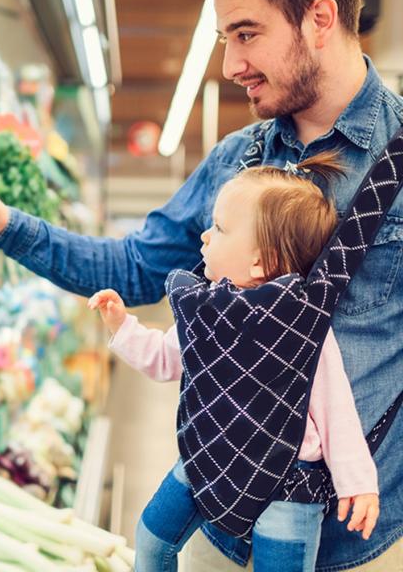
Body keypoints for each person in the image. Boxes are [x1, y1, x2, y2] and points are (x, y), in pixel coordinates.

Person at [0, 0, 403, 569]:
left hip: (361, 541)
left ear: (320, 19)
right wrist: (5, 224)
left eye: (246, 33)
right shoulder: (236, 160)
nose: (232, 64)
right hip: (215, 522)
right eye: (224, 40)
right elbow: (134, 268)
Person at [87, 152, 379, 572]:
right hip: (206, 456)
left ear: (260, 260)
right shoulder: (205, 307)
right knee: (151, 541)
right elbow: (167, 360)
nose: (204, 237)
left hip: (288, 482)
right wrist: (122, 326)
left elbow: (336, 410)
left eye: (220, 228)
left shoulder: (299, 321)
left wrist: (358, 483)